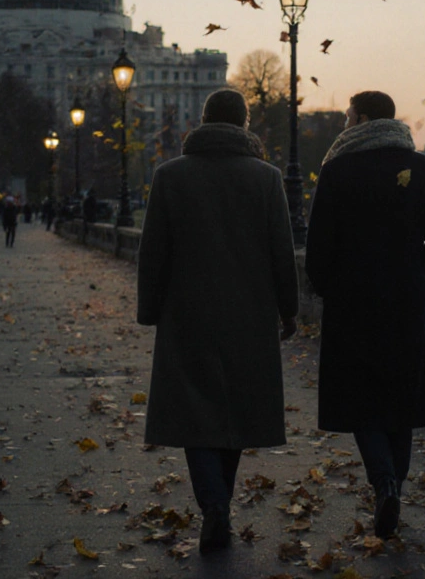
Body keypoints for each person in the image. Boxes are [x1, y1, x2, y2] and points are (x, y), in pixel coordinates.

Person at [137, 89, 298, 555]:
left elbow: (153, 253)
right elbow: (280, 253)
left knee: (195, 412)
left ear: (204, 121)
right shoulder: (267, 179)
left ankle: (214, 506)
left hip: (186, 313)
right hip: (249, 313)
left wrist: (150, 309)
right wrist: (288, 310)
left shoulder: (169, 177)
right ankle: (219, 501)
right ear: (244, 124)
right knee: (237, 411)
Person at [305, 90, 425, 539]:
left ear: (363, 118)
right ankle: (396, 488)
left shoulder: (336, 170)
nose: (344, 125)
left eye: (348, 117)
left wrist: (332, 289)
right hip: (407, 301)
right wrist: (417, 283)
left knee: (360, 400)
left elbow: (317, 250)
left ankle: (384, 482)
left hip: (352, 301)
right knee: (401, 399)